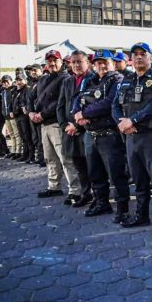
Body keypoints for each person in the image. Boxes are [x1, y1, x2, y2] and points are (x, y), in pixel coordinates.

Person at [112, 42, 152, 237]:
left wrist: (133, 120)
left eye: (142, 54)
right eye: (135, 54)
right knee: (139, 180)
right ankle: (141, 215)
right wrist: (122, 123)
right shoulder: (125, 80)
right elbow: (115, 105)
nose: (138, 57)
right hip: (132, 138)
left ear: (150, 58)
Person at [73, 50, 129, 219]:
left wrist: (84, 113)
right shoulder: (91, 80)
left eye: (105, 62)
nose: (102, 65)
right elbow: (78, 98)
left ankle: (122, 208)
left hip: (109, 135)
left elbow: (109, 103)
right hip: (91, 134)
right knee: (95, 173)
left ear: (112, 63)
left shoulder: (117, 79)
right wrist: (77, 114)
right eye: (98, 62)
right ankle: (101, 203)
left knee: (116, 174)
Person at [30, 50, 81, 202]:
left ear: (61, 62)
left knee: (65, 159)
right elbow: (31, 97)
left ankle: (75, 190)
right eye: (49, 61)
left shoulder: (66, 78)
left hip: (56, 124)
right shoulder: (43, 79)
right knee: (49, 158)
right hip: (44, 125)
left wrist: (42, 114)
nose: (52, 64)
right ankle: (54, 187)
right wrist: (31, 112)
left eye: (55, 60)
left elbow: (60, 102)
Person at [57, 50, 93, 207]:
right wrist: (65, 125)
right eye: (74, 62)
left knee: (92, 165)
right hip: (69, 131)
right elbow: (60, 105)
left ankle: (98, 196)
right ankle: (85, 194)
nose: (77, 65)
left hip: (86, 129)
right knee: (79, 166)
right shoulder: (68, 81)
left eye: (80, 61)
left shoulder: (93, 79)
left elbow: (93, 106)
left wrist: (77, 125)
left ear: (87, 62)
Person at [27, 64, 44, 165]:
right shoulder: (30, 83)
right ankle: (39, 157)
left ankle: (43, 158)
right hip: (32, 114)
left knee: (42, 138)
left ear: (41, 71)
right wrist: (30, 112)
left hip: (41, 114)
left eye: (35, 70)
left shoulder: (43, 81)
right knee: (35, 137)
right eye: (32, 71)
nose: (33, 72)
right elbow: (29, 99)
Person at [13, 73, 33, 162]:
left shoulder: (27, 90)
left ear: (25, 80)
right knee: (22, 136)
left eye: (21, 80)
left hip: (24, 116)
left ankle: (31, 155)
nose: (19, 82)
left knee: (27, 136)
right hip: (18, 115)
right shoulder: (16, 91)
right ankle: (25, 154)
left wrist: (24, 108)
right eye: (17, 80)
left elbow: (27, 102)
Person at [1, 75, 22, 159]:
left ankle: (18, 151)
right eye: (4, 82)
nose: (6, 84)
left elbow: (15, 103)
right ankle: (13, 150)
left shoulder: (14, 90)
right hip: (6, 116)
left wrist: (12, 111)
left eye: (7, 81)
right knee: (11, 134)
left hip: (12, 115)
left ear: (11, 81)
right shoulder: (3, 92)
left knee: (17, 134)